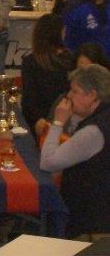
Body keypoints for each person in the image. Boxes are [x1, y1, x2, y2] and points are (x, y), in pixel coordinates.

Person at [39, 64, 110, 236]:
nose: (69, 96)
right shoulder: (103, 117)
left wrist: (58, 122)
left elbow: (48, 163)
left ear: (91, 95)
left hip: (91, 223)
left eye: (74, 91)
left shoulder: (94, 131)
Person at [20, 13, 73, 130]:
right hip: (65, 119)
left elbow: (28, 100)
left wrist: (37, 119)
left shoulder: (30, 61)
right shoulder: (69, 59)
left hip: (40, 122)